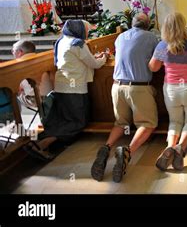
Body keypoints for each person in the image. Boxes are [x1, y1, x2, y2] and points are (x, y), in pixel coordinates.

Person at [24, 20, 107, 161]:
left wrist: (93, 58)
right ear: (79, 29)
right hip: (75, 89)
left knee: (66, 120)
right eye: (86, 30)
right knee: (78, 122)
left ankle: (39, 142)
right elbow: (94, 64)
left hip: (61, 87)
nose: (87, 33)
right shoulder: (78, 43)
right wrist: (104, 57)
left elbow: (74, 60)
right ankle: (41, 144)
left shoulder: (61, 41)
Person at [91, 14, 158, 183]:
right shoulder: (151, 37)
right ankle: (127, 152)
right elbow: (156, 62)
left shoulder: (120, 37)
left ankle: (106, 148)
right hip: (138, 87)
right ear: (148, 25)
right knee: (148, 124)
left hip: (116, 86)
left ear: (132, 24)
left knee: (121, 123)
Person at [150, 13, 187, 171]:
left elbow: (153, 67)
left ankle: (169, 147)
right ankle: (180, 148)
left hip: (170, 89)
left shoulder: (162, 46)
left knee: (175, 121)